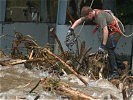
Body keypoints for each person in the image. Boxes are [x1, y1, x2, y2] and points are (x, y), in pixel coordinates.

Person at [66, 6, 124, 80]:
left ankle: (115, 73)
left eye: (87, 17)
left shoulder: (100, 16)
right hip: (110, 30)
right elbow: (79, 20)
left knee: (109, 48)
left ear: (90, 13)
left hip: (116, 30)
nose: (87, 19)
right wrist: (71, 29)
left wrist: (102, 46)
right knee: (108, 48)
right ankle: (120, 65)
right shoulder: (90, 14)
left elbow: (105, 31)